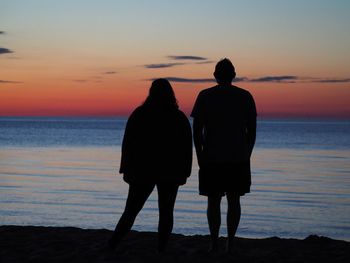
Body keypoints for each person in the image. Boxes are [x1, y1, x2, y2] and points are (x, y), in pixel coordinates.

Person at [109, 78, 192, 252]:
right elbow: (186, 147)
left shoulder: (140, 113)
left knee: (131, 210)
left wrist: (125, 167)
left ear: (151, 93)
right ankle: (161, 248)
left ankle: (112, 245)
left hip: (143, 169)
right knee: (166, 211)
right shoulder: (178, 117)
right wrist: (185, 171)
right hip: (169, 170)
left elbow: (128, 143)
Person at [191, 58, 257, 253]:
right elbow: (252, 131)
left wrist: (199, 155)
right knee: (234, 200)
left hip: (212, 157)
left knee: (213, 201)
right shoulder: (245, 96)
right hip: (238, 157)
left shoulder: (205, 95)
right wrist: (247, 153)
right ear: (234, 75)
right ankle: (230, 242)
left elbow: (196, 130)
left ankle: (214, 241)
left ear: (215, 75)